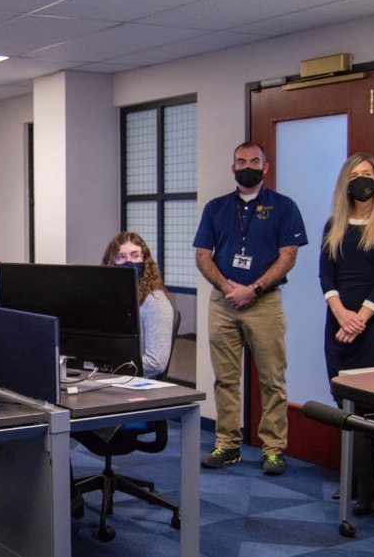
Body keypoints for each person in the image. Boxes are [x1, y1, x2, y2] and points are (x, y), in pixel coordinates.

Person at [193, 141, 308, 476]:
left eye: (254, 161)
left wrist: (254, 288)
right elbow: (202, 255)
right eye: (240, 161)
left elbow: (288, 256)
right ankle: (227, 445)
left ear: (265, 167)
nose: (247, 166)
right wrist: (229, 287)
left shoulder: (284, 207)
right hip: (223, 302)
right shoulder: (215, 208)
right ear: (232, 168)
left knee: (272, 378)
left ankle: (273, 450)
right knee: (225, 379)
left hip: (265, 303)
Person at [320, 152, 374, 515]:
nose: (361, 179)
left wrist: (359, 320)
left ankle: (368, 488)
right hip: (337, 323)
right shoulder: (333, 225)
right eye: (355, 174)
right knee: (345, 404)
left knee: (368, 408)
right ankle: (355, 482)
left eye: (367, 174)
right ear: (345, 182)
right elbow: (326, 276)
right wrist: (341, 314)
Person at [101, 232, 175, 379]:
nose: (129, 261)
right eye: (121, 257)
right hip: (107, 377)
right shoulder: (110, 297)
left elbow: (156, 363)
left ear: (144, 260)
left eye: (135, 256)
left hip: (132, 382)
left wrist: (110, 367)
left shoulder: (155, 302)